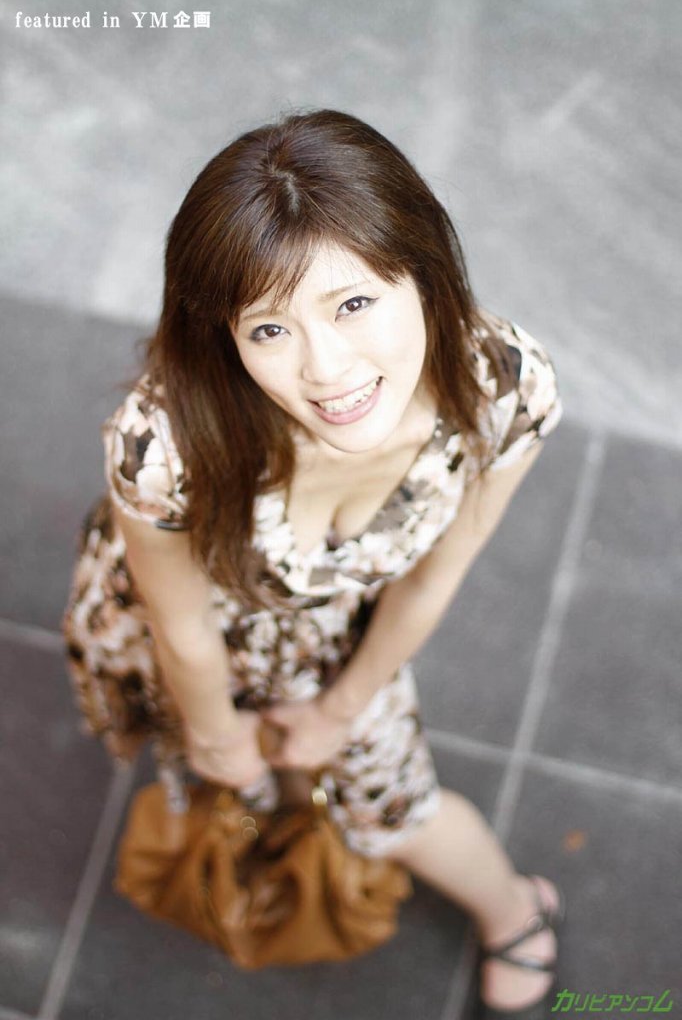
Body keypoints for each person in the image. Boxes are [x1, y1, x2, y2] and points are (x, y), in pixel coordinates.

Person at [62, 108, 566, 1015]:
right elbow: (180, 624)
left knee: (393, 810)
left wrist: (341, 707)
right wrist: (221, 742)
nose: (327, 369)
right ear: (225, 334)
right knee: (257, 781)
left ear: (422, 272)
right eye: (270, 330)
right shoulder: (166, 441)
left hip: (342, 644)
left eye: (354, 305)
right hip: (195, 644)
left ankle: (513, 910)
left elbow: (437, 572)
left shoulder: (503, 387)